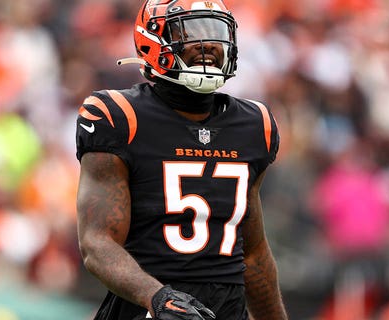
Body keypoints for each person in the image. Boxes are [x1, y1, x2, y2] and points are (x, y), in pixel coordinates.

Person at [74, 0, 288, 319]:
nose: (210, 45)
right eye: (191, 32)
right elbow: (96, 243)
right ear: (153, 40)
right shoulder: (120, 117)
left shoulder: (255, 124)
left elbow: (253, 254)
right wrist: (158, 298)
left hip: (226, 309)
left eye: (217, 33)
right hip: (145, 306)